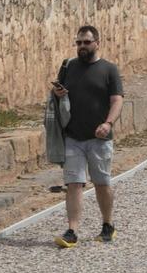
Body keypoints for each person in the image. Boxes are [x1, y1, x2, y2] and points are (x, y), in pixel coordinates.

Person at [51, 25, 124, 248]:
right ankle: (72, 231)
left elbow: (117, 100)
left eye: (86, 42)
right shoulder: (69, 67)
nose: (82, 46)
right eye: (79, 42)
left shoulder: (109, 69)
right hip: (73, 137)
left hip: (99, 138)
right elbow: (58, 93)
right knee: (74, 183)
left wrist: (108, 123)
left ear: (97, 43)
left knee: (102, 183)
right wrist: (58, 92)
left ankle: (107, 225)